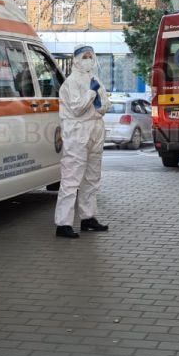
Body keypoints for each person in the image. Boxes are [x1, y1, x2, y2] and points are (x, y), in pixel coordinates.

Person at [54, 46, 110, 238]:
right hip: (77, 133)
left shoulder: (95, 80)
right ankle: (63, 224)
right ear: (76, 59)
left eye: (90, 56)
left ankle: (88, 218)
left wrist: (98, 102)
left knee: (92, 177)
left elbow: (105, 105)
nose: (88, 59)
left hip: (95, 129)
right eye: (84, 56)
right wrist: (91, 94)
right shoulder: (70, 83)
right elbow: (77, 108)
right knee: (71, 178)